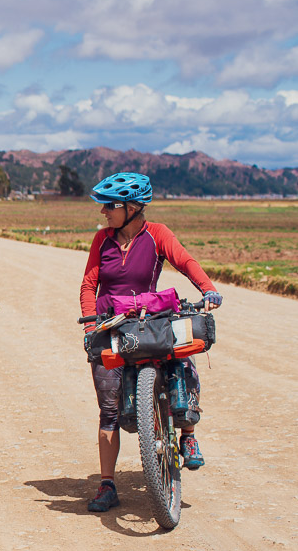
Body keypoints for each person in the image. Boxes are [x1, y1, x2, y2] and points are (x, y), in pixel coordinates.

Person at [80, 172, 222, 512]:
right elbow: (89, 285)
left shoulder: (157, 234)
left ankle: (187, 435)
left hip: (145, 320)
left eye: (109, 206)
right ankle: (107, 485)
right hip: (109, 327)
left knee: (179, 365)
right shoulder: (102, 240)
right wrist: (89, 326)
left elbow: (185, 262)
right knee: (109, 411)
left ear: (131, 207)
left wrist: (208, 289)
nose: (103, 213)